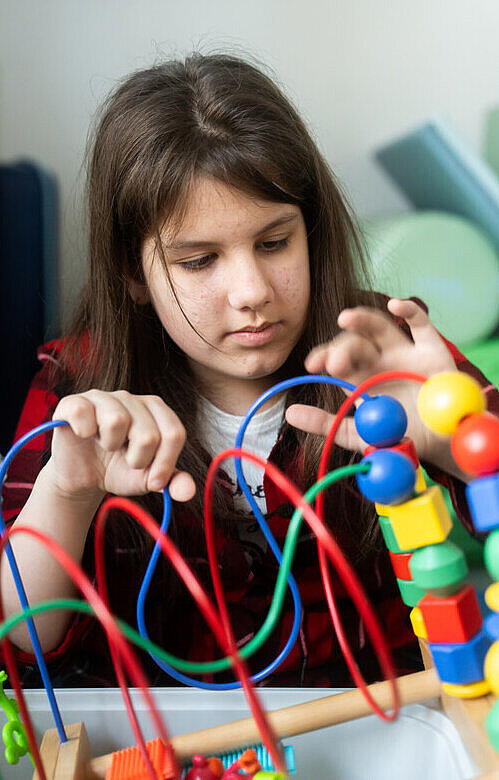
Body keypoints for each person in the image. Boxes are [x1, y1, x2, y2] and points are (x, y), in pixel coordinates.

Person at [2, 53, 498, 688]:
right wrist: (68, 495)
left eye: (273, 243)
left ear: (310, 232)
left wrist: (454, 440)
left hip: (383, 717)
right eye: (200, 260)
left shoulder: (385, 348)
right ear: (133, 272)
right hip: (172, 742)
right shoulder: (77, 389)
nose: (252, 290)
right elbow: (23, 640)